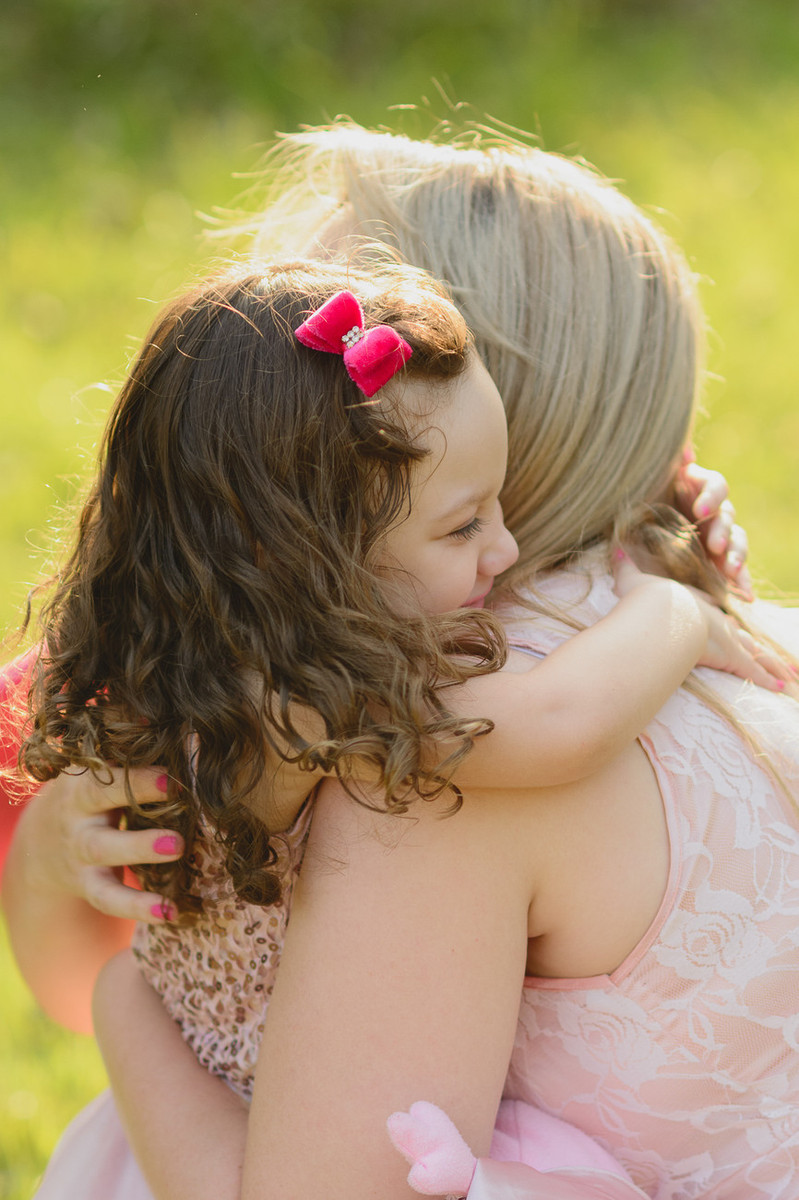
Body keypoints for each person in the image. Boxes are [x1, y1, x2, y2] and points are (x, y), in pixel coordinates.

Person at [4, 123, 792, 1199]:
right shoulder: (349, 707)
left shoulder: (321, 681)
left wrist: (111, 992)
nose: (498, 551)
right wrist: (676, 601)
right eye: (465, 524)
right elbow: (557, 724)